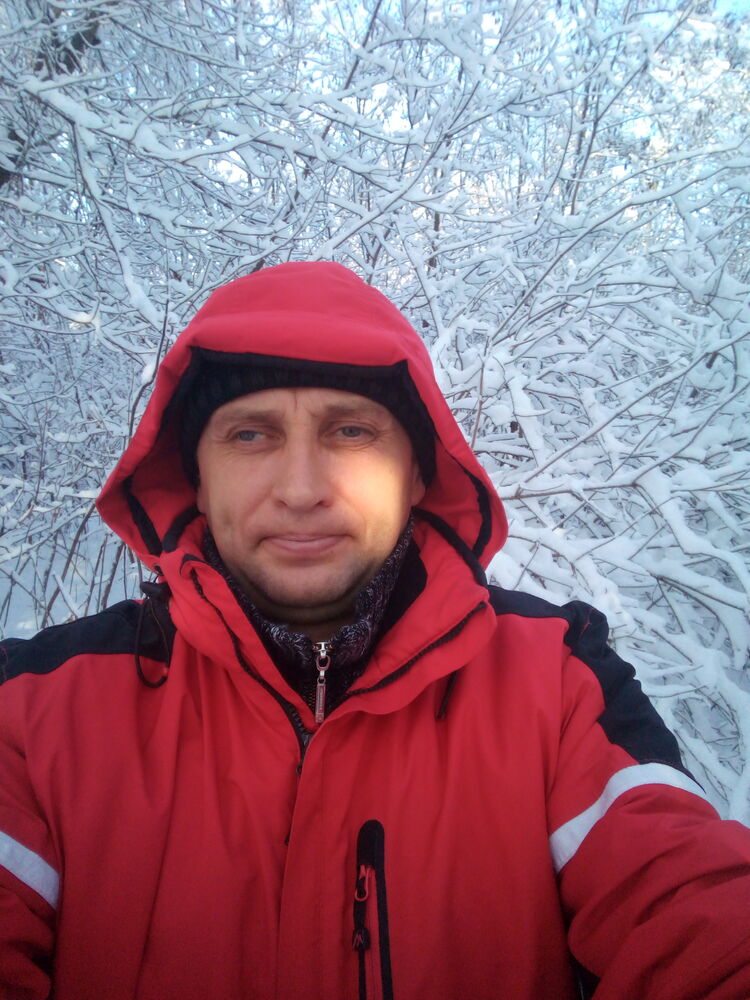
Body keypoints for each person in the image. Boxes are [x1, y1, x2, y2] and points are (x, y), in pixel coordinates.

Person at [1, 262, 748, 1000]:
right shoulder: (33, 710)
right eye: (250, 435)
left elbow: (684, 905)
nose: (301, 490)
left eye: (351, 431)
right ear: (195, 475)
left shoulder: (557, 684)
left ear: (419, 472)